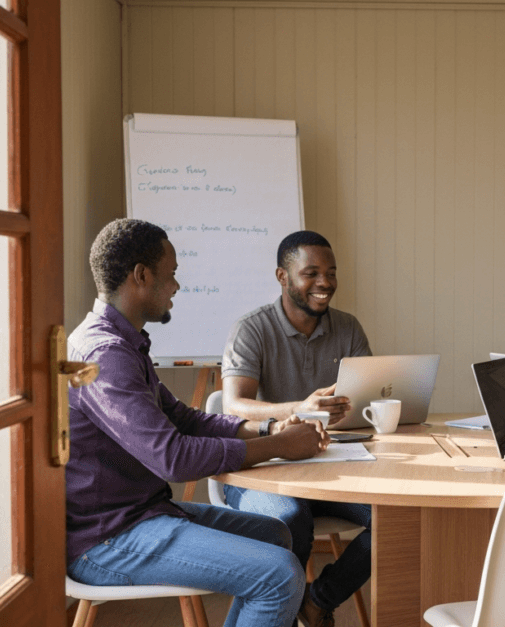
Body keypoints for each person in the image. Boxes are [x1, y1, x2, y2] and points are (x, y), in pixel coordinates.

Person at [66, 218, 330, 627]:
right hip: (108, 539)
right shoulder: (106, 354)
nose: (177, 286)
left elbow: (183, 418)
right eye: (171, 275)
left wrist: (268, 430)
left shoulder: (125, 343)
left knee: (279, 536)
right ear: (141, 276)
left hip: (143, 513)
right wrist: (278, 447)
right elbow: (172, 459)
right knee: (279, 574)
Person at [219, 230, 371, 627]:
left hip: (336, 464)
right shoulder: (251, 329)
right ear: (282, 277)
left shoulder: (349, 328)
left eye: (331, 272)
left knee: (400, 519)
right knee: (287, 519)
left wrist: (362, 407)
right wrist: (299, 408)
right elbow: (234, 404)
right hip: (264, 468)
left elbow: (368, 397)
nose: (325, 283)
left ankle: (318, 600)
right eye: (312, 273)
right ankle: (281, 616)